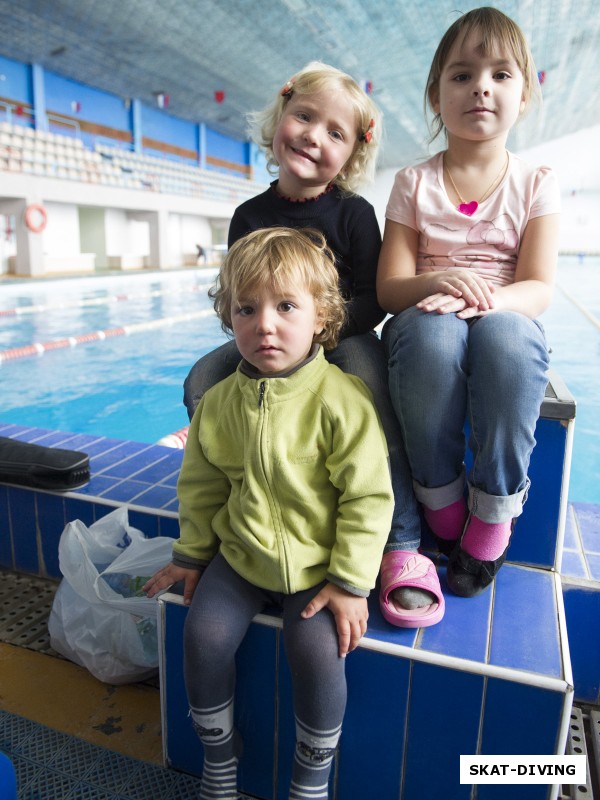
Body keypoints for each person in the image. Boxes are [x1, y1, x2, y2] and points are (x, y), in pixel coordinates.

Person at [144, 227, 394, 800]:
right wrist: (190, 554)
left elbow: (369, 497)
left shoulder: (341, 400)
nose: (265, 324)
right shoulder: (217, 403)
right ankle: (219, 762)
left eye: (286, 306)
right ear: (229, 318)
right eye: (247, 308)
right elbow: (202, 486)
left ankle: (311, 780)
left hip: (317, 567)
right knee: (203, 637)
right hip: (241, 558)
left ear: (321, 316)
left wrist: (351, 581)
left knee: (317, 653)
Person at [182, 60, 423, 622]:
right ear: (280, 118)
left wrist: (322, 328)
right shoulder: (250, 215)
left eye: (335, 132)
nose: (315, 135)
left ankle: (400, 544)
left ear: (351, 155)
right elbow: (240, 293)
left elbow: (375, 298)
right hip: (274, 341)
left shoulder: (355, 214)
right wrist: (274, 331)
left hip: (338, 339)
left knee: (367, 380)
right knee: (202, 381)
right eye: (305, 117)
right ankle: (244, 507)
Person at [377, 6, 561, 614]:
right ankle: (440, 499)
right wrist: (440, 281)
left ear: (524, 94)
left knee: (507, 339)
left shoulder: (536, 181)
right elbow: (390, 289)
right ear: (436, 95)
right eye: (462, 75)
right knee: (433, 339)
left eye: (501, 74)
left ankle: (491, 521)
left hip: (502, 314)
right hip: (426, 318)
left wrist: (483, 301)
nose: (481, 85)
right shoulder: (412, 182)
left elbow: (536, 287)